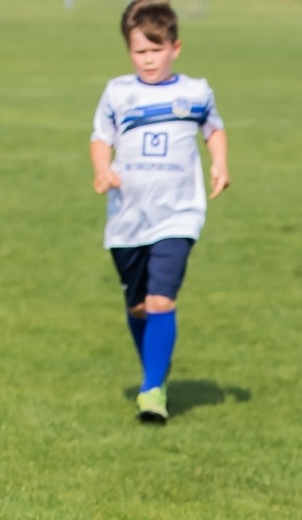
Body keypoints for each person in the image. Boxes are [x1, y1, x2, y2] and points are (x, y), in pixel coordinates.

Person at [90, 0, 229, 424]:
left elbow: (215, 129)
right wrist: (102, 171)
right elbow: (100, 138)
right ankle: (156, 366)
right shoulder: (118, 93)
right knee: (138, 307)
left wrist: (220, 163)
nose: (148, 60)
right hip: (128, 219)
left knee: (160, 299)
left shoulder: (195, 92)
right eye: (139, 52)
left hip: (178, 215)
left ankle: (152, 390)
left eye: (156, 50)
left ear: (175, 46)